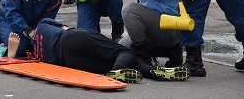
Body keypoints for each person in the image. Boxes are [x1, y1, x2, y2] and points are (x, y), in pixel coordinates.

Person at [33, 18, 190, 83]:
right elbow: (63, 26)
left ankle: (152, 71)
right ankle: (117, 71)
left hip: (68, 61)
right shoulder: (41, 24)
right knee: (126, 53)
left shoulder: (35, 52)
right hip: (72, 38)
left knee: (120, 61)